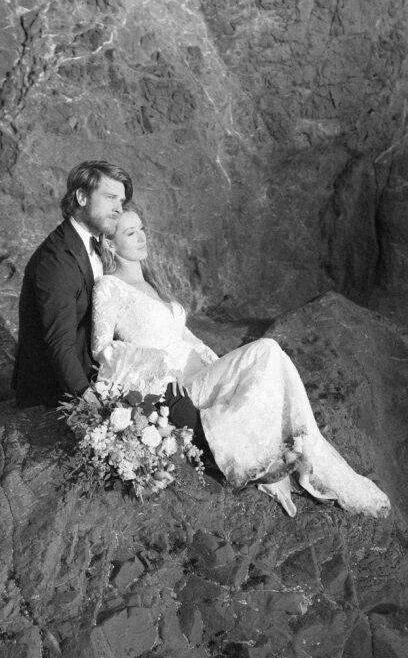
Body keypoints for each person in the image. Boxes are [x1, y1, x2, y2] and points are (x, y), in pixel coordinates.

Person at [91, 209, 391, 519]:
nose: (142, 236)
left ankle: (300, 452)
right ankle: (295, 456)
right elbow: (102, 349)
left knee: (270, 365)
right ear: (110, 245)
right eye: (130, 233)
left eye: (141, 228)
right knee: (267, 350)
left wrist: (219, 364)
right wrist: (158, 370)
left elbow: (185, 335)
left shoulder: (152, 283)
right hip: (176, 388)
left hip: (201, 372)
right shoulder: (109, 288)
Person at [12, 163, 213, 461]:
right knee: (178, 403)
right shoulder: (56, 261)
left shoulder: (95, 245)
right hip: (53, 388)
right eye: (110, 198)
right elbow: (59, 343)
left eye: (121, 201)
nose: (119, 208)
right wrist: (91, 401)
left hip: (105, 369)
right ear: (81, 197)